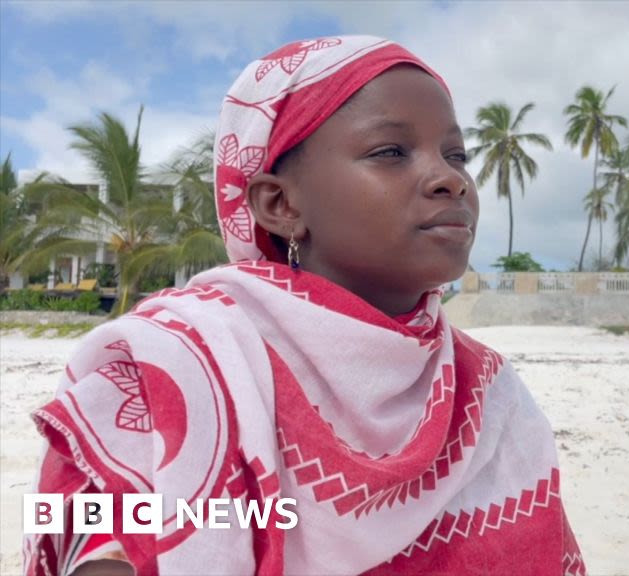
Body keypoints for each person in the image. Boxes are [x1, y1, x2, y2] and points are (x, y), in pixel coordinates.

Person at [24, 35, 585, 576]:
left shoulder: (489, 392)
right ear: (281, 204)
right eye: (391, 151)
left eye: (457, 155)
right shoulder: (166, 368)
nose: (450, 179)